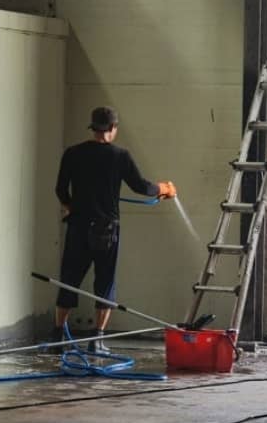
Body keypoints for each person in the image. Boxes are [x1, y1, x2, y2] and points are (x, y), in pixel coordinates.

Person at [51, 106, 176, 351]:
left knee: (69, 280)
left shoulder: (73, 153)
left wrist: (69, 205)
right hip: (106, 231)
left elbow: (60, 189)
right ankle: (97, 340)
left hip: (77, 226)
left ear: (93, 127)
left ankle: (57, 339)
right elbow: (141, 187)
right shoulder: (120, 156)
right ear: (112, 129)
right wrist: (163, 188)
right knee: (105, 283)